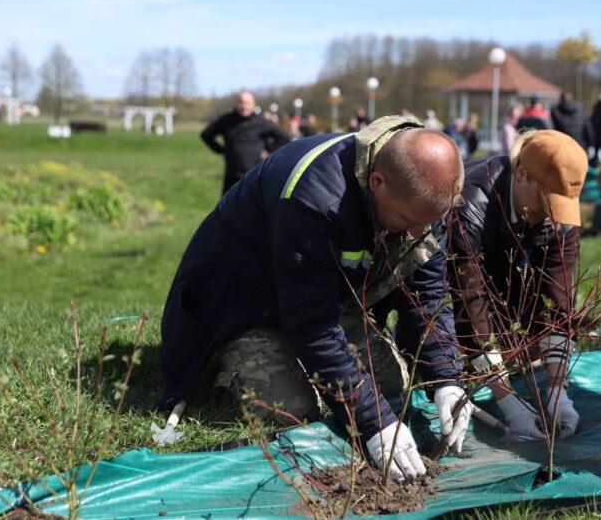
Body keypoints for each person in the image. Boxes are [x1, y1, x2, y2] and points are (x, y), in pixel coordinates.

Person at [160, 116, 472, 481]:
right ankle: (233, 355)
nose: (419, 233)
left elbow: (428, 296)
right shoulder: (315, 199)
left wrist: (447, 380)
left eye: (429, 223)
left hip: (317, 294)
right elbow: (312, 325)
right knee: (292, 415)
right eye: (408, 220)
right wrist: (373, 424)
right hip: (244, 300)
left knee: (393, 386)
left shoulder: (424, 197)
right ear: (377, 183)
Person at [449, 130, 587, 441]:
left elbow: (559, 297)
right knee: (445, 357)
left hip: (510, 277)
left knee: (522, 350)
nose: (552, 217)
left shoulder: (558, 219)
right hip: (448, 291)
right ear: (521, 174)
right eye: (546, 203)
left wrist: (557, 391)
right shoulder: (469, 203)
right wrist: (508, 402)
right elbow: (468, 299)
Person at [201, 90, 292, 195]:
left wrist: (268, 150)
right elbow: (206, 134)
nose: (244, 106)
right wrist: (221, 151)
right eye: (241, 103)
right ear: (236, 104)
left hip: (255, 177)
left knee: (255, 210)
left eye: (247, 103)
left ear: (253, 105)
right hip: (231, 177)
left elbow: (284, 138)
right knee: (228, 210)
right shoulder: (226, 120)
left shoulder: (261, 122)